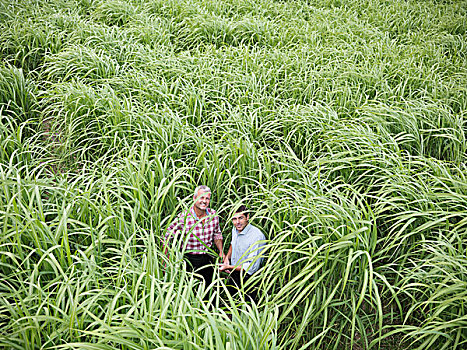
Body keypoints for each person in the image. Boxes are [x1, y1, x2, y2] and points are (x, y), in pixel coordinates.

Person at [166, 185, 225, 286]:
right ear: (194, 198)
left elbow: (217, 234)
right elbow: (167, 236)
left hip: (208, 258)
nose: (204, 201)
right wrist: (166, 260)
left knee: (208, 289)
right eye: (201, 197)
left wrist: (221, 251)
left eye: (207, 198)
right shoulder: (184, 217)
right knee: (191, 289)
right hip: (189, 260)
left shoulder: (213, 215)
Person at [220, 205, 265, 302]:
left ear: (247, 217)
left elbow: (251, 267)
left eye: (241, 218)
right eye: (234, 219)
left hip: (249, 278)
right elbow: (233, 243)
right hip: (234, 272)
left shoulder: (257, 236)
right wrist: (227, 259)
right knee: (231, 303)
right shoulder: (235, 229)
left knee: (247, 306)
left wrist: (228, 267)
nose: (237, 222)